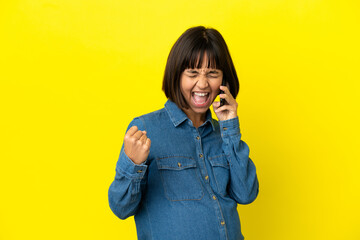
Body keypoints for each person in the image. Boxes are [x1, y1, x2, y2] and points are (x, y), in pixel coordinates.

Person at [108, 26, 259, 240]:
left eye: (213, 73)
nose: (203, 83)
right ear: (177, 75)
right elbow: (121, 208)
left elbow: (246, 194)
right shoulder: (145, 130)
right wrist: (133, 164)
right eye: (193, 73)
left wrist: (231, 130)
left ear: (223, 81)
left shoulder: (223, 134)